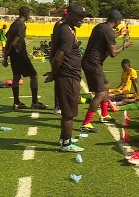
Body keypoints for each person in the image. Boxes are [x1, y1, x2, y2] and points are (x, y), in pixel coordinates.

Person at [44, 2, 91, 152]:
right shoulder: (65, 31)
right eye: (79, 16)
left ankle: (64, 137)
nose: (82, 19)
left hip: (68, 74)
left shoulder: (65, 27)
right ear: (69, 14)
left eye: (84, 17)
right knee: (69, 112)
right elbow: (58, 57)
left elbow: (54, 50)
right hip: (68, 74)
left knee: (68, 110)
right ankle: (67, 143)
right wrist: (53, 73)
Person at [80, 9, 133, 133]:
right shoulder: (108, 31)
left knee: (106, 85)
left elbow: (107, 38)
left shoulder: (102, 27)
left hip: (92, 62)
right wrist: (123, 46)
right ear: (117, 21)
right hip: (93, 63)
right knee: (99, 94)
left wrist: (119, 34)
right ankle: (86, 123)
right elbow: (113, 53)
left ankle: (104, 115)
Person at [2, 6, 47, 109]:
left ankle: (16, 103)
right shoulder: (21, 25)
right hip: (20, 54)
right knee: (34, 76)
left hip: (14, 55)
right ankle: (35, 102)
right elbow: (14, 43)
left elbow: (8, 41)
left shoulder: (13, 24)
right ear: (27, 15)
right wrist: (7, 54)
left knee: (16, 77)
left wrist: (5, 57)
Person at [50, 8, 67, 115]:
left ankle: (62, 104)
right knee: (59, 81)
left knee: (64, 82)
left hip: (64, 56)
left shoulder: (68, 25)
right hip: (58, 55)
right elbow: (55, 41)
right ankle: (57, 106)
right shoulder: (59, 24)